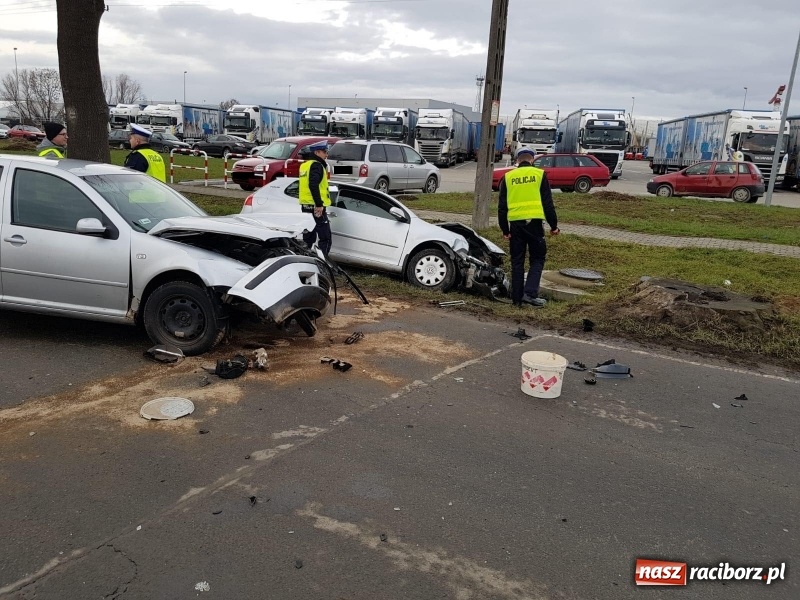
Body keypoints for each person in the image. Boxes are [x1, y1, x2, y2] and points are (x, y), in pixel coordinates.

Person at [498, 147, 559, 307]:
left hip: (515, 226)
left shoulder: (508, 177)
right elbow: (548, 203)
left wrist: (505, 229)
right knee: (537, 258)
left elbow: (502, 206)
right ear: (532, 159)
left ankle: (516, 299)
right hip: (535, 224)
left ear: (517, 160)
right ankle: (530, 294)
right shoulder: (540, 175)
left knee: (517, 261)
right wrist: (554, 226)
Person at [298, 140, 332, 257]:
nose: (326, 155)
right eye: (324, 152)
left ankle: (304, 261)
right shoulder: (317, 165)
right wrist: (319, 204)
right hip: (316, 208)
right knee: (325, 238)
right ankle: (322, 264)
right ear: (317, 152)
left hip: (306, 206)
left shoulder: (305, 165)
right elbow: (313, 184)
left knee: (308, 238)